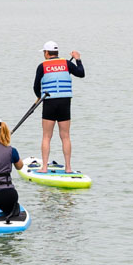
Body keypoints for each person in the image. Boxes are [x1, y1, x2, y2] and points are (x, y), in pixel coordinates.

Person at [33, 41, 85, 170]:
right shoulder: (67, 64)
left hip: (49, 101)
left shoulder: (42, 66)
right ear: (56, 52)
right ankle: (68, 167)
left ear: (46, 53)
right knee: (65, 136)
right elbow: (81, 73)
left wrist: (39, 96)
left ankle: (44, 167)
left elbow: (35, 86)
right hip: (65, 102)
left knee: (46, 136)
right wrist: (78, 60)